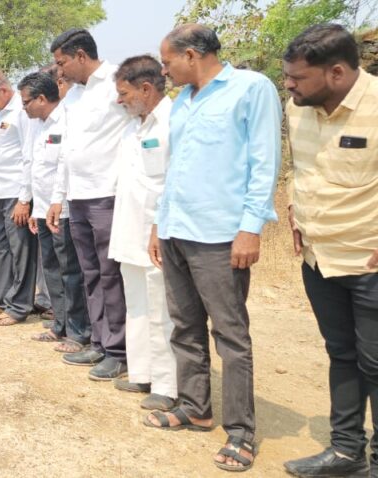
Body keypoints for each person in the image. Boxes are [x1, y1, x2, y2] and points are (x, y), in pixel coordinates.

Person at [144, 25, 281, 473]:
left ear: (190, 54)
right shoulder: (183, 101)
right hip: (177, 229)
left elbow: (264, 162)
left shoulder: (251, 89)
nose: (163, 71)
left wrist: (251, 228)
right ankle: (194, 406)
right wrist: (158, 224)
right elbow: (175, 168)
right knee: (184, 325)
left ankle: (241, 432)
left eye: (167, 63)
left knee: (230, 335)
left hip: (221, 234)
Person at [282, 24, 378, 478]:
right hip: (319, 259)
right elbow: (305, 171)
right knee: (341, 354)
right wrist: (295, 209)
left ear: (337, 72)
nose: (289, 85)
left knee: (376, 363)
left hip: (368, 261)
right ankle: (346, 453)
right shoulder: (298, 109)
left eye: (298, 78)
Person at [46, 29, 130, 380]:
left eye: (62, 62)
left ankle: (119, 350)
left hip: (107, 195)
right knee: (90, 274)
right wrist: (57, 197)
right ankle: (99, 341)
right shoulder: (73, 98)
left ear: (81, 55)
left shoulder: (117, 84)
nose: (59, 72)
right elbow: (66, 150)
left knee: (112, 275)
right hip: (77, 198)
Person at [107, 55, 178, 409]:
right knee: (136, 305)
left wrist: (160, 228)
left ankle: (166, 386)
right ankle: (142, 373)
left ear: (146, 89)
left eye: (124, 93)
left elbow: (172, 183)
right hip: (128, 232)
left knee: (161, 309)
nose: (119, 100)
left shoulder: (172, 123)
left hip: (157, 235)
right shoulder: (135, 127)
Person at [18, 71, 91, 356]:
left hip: (62, 210)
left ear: (41, 98)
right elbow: (34, 169)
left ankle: (78, 331)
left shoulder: (66, 119)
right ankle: (59, 324)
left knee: (70, 271)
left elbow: (63, 166)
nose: (23, 108)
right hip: (43, 209)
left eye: (26, 102)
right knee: (51, 269)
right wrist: (35, 208)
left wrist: (54, 204)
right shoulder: (37, 125)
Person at [0, 70, 37, 326]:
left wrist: (25, 199)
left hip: (15, 194)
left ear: (3, 90)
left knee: (20, 251)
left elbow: (27, 154)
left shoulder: (21, 112)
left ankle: (20, 306)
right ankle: (2, 300)